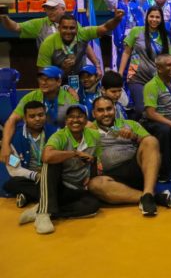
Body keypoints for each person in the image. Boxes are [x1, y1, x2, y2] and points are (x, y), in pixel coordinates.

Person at [19, 104, 101, 235]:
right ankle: (43, 214)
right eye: (71, 117)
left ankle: (43, 209)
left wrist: (91, 174)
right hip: (57, 185)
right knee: (51, 162)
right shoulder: (59, 135)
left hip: (78, 187)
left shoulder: (95, 135)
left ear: (86, 120)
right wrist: (74, 153)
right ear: (66, 121)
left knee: (93, 206)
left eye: (80, 116)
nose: (75, 120)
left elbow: (98, 159)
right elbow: (46, 156)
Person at [86, 96, 171, 216]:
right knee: (94, 185)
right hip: (111, 177)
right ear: (93, 113)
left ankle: (148, 191)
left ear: (114, 109)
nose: (106, 113)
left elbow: (151, 145)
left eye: (109, 109)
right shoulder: (88, 130)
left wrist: (134, 136)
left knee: (151, 140)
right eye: (100, 110)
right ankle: (151, 197)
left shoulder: (130, 124)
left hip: (136, 168)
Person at [1, 66, 78, 165]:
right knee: (13, 163)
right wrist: (5, 145)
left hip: (58, 147)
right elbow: (12, 120)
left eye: (48, 79)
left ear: (59, 81)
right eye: (41, 79)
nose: (43, 82)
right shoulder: (31, 97)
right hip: (33, 145)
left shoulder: (69, 100)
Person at [119, 6, 171, 120]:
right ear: (146, 17)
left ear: (161, 19)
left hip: (156, 80)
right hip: (136, 77)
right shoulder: (136, 31)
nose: (154, 19)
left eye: (157, 17)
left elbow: (168, 60)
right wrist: (120, 73)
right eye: (151, 16)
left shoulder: (164, 37)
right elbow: (126, 53)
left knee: (155, 110)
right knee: (141, 108)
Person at [36, 11, 122, 79]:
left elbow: (105, 27)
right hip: (56, 80)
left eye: (72, 28)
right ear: (59, 29)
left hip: (81, 78)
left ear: (77, 29)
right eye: (65, 28)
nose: (68, 31)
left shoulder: (82, 34)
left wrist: (116, 19)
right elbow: (44, 76)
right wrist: (62, 69)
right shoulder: (48, 44)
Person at [143, 54, 171, 183]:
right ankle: (163, 173)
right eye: (169, 65)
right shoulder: (151, 86)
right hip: (156, 121)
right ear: (159, 68)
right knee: (165, 130)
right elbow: (151, 113)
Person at [3, 101, 57, 208]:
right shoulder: (13, 139)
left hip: (50, 176)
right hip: (28, 178)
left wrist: (46, 176)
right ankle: (49, 196)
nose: (37, 119)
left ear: (45, 116)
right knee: (11, 184)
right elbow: (14, 169)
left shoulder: (55, 133)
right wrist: (36, 176)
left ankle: (27, 195)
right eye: (32, 116)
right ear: (24, 119)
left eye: (41, 115)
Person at [104, 0, 149, 65]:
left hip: (138, 37)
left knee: (138, 65)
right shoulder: (116, 3)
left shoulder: (138, 0)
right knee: (123, 64)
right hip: (122, 38)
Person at [0, 0, 67, 46]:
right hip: (46, 60)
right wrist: (5, 17)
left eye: (53, 8)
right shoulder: (40, 23)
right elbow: (16, 27)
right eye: (47, 9)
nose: (49, 12)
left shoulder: (72, 23)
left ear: (63, 9)